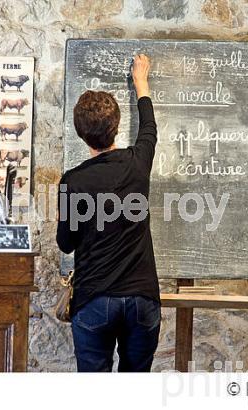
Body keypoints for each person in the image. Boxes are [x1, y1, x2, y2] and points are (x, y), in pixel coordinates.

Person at [56, 54, 160, 372]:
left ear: (80, 133)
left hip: (94, 300)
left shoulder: (73, 181)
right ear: (116, 127)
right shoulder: (137, 163)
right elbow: (149, 128)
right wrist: (141, 79)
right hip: (142, 299)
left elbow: (66, 244)